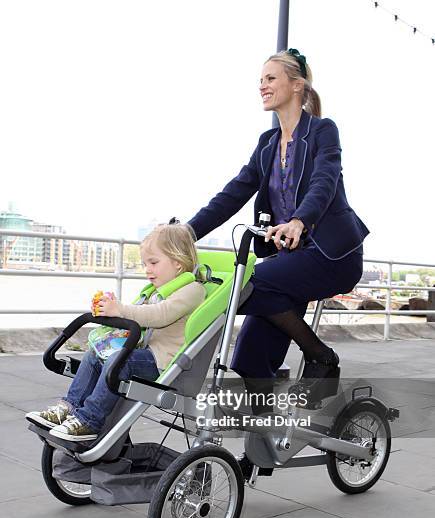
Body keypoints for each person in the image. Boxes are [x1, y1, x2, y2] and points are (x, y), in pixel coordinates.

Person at [187, 48, 369, 415]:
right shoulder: (267, 145)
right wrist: (187, 233)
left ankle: (320, 356)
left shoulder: (322, 131)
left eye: (270, 78)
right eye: (260, 80)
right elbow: (234, 192)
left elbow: (324, 180)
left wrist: (300, 220)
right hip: (290, 262)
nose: (262, 86)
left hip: (331, 256)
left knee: (253, 281)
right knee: (250, 359)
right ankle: (263, 448)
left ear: (297, 84)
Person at [26, 224, 206, 441]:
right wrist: (111, 311)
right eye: (144, 264)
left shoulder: (192, 290)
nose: (147, 269)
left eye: (153, 262)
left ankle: (89, 420)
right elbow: (140, 314)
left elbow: (160, 315)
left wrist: (120, 309)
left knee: (118, 361)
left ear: (177, 263)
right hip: (146, 352)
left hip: (164, 362)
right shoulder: (158, 290)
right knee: (96, 352)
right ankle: (68, 407)